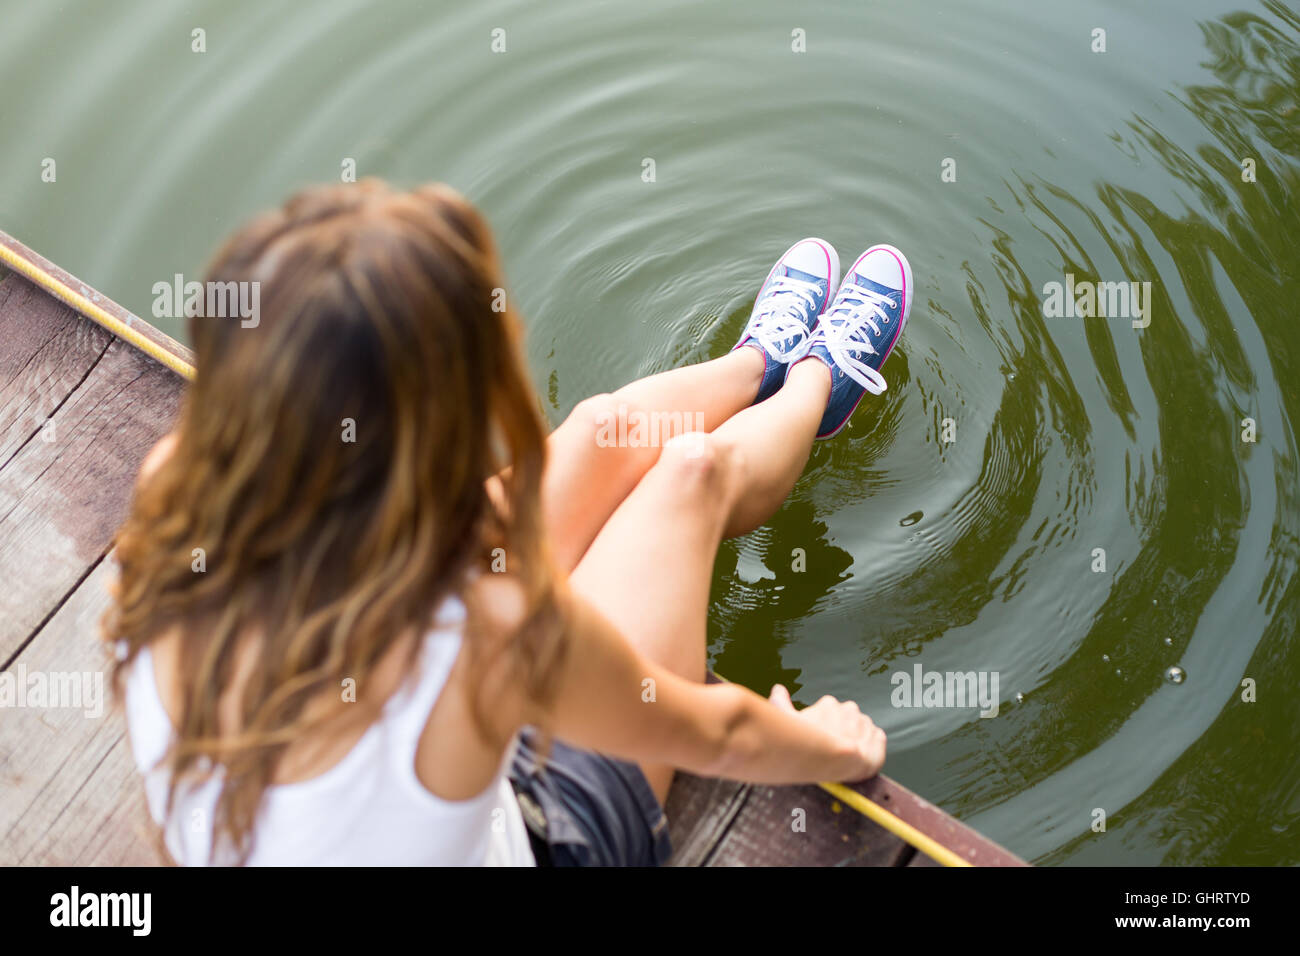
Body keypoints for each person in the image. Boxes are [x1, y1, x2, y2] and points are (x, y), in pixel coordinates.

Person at [105, 180, 911, 866]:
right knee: (687, 478)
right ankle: (817, 379)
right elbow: (720, 735)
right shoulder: (477, 631)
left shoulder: (176, 496)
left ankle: (757, 363)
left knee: (602, 432)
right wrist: (832, 743)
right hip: (541, 832)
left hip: (423, 765)